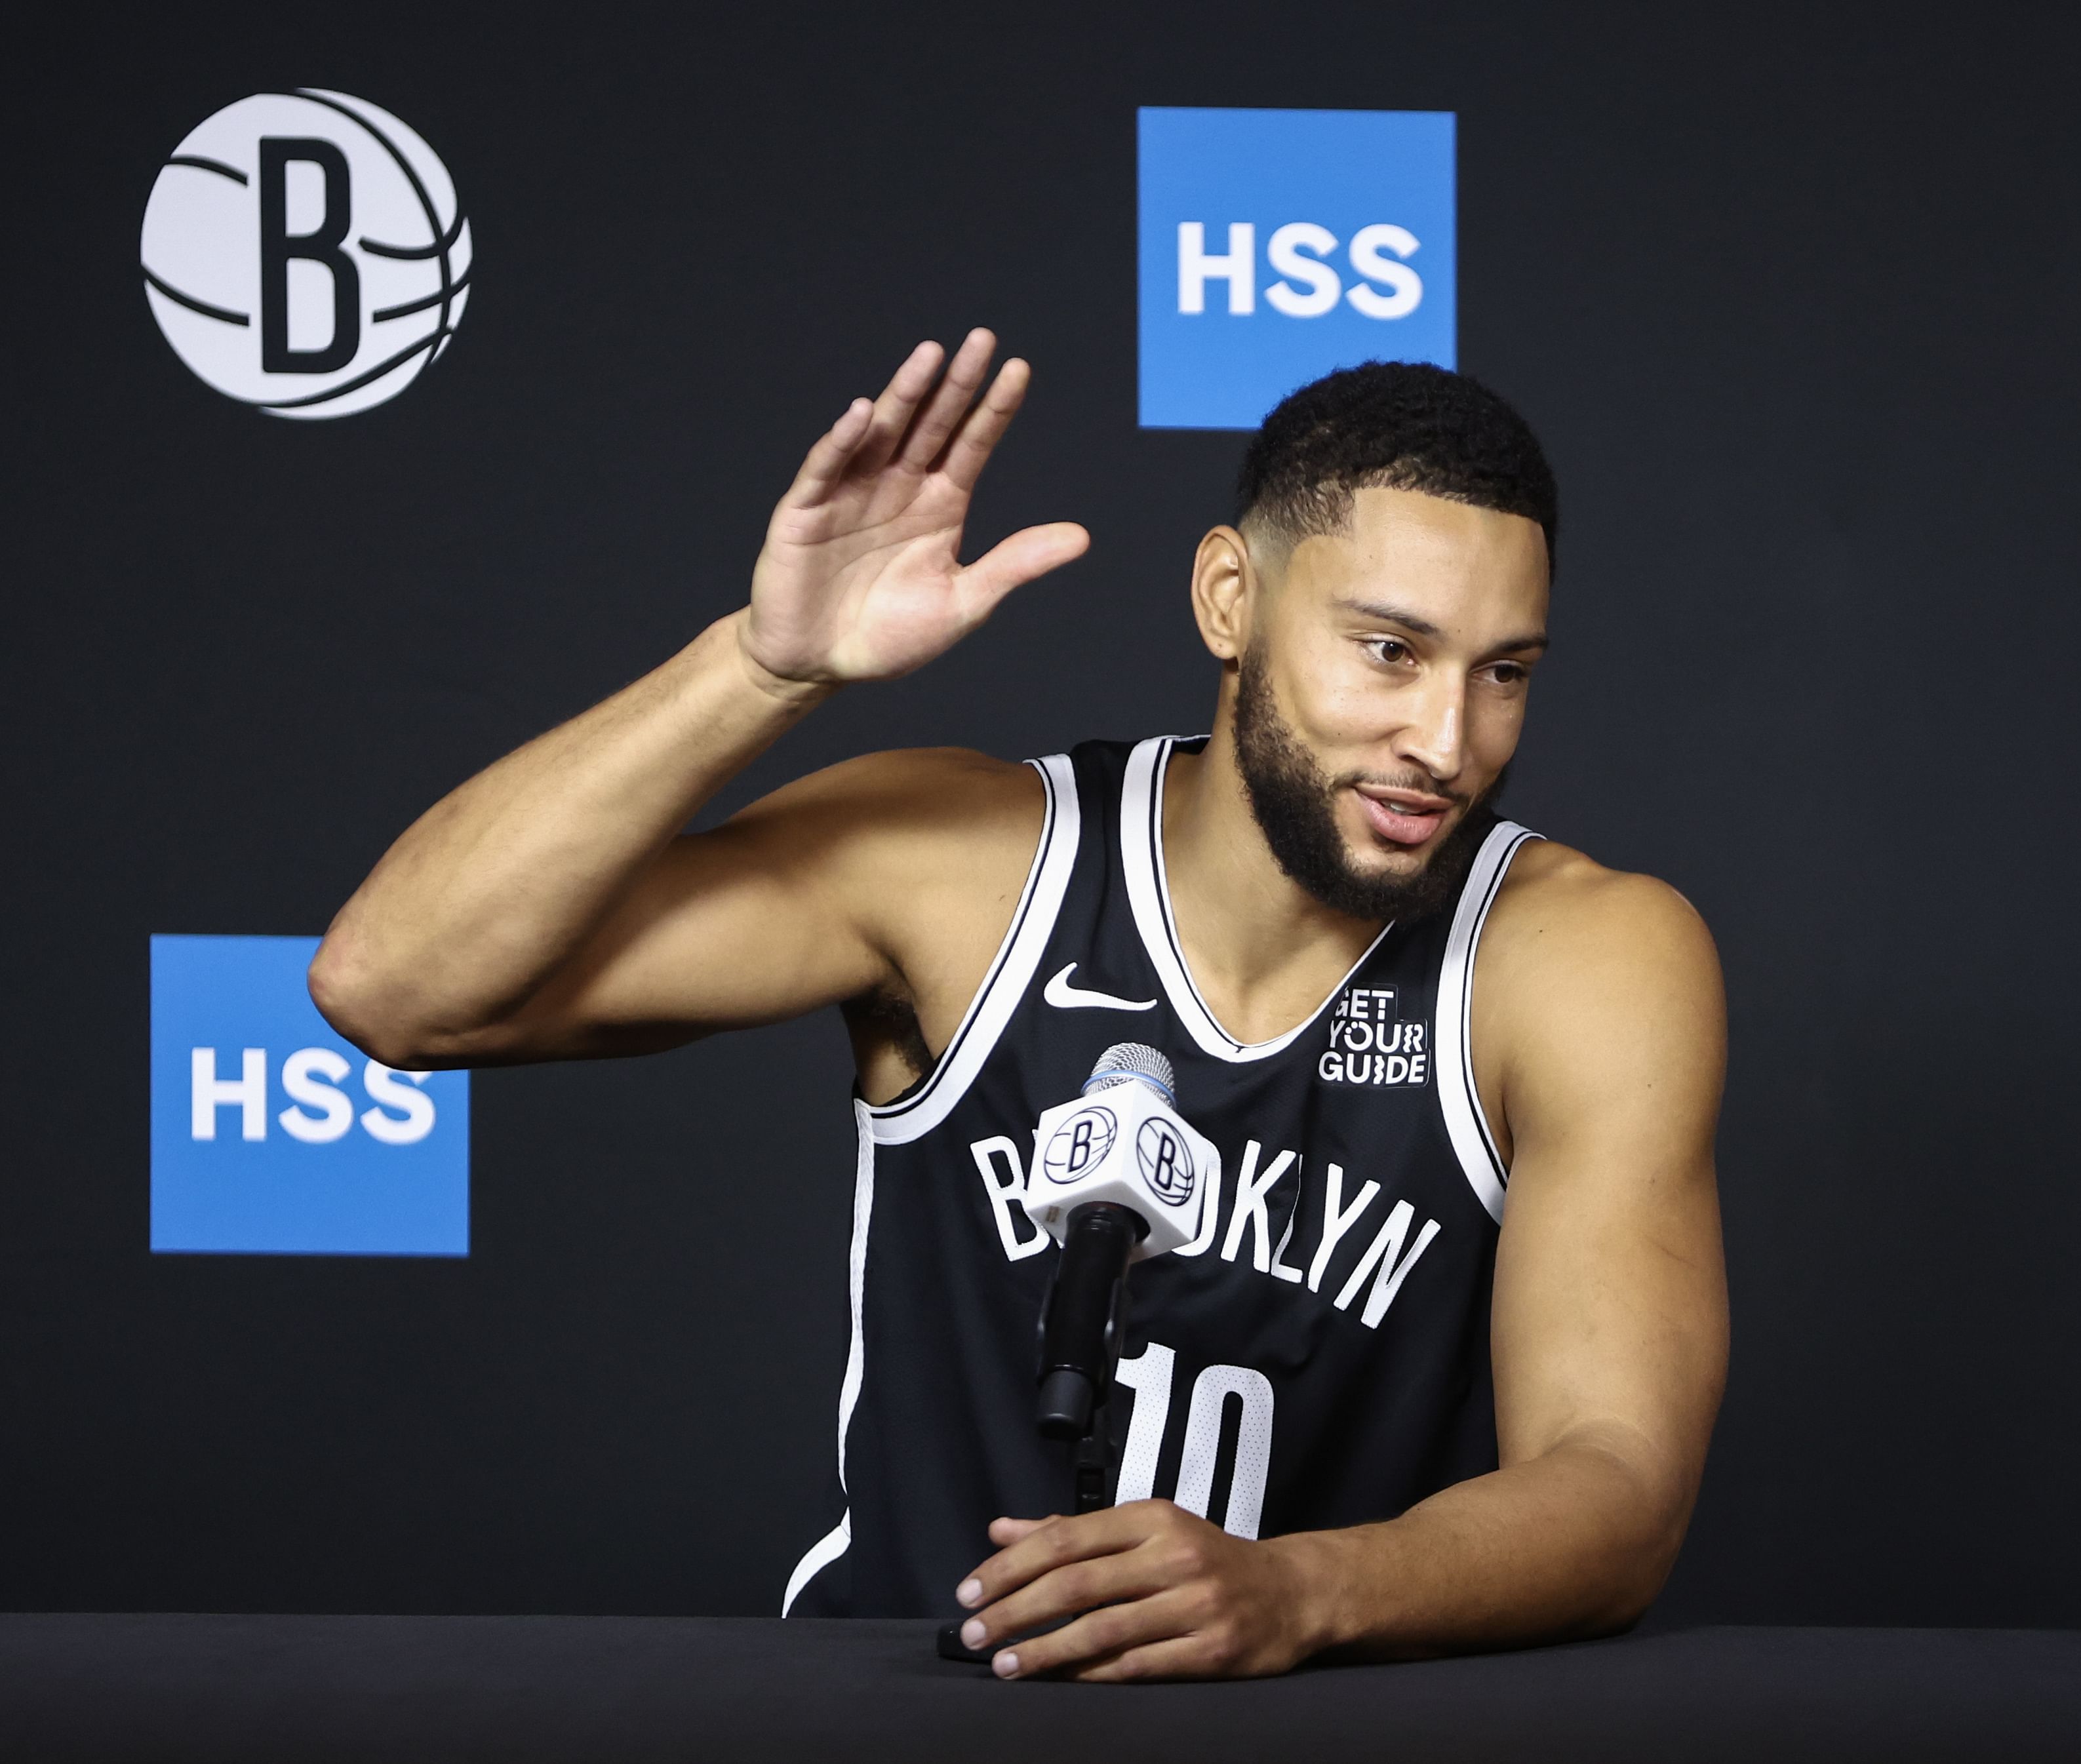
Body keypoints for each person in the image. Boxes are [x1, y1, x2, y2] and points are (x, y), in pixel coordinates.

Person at [311, 331, 1728, 1681]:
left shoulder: (1577, 953)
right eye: (1386, 651)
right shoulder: (965, 863)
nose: (1445, 739)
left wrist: (1299, 1587)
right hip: (895, 1700)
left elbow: (1614, 1483)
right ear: (1229, 599)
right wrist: (761, 666)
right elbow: (395, 985)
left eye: (1505, 674)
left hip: (1315, 1713)